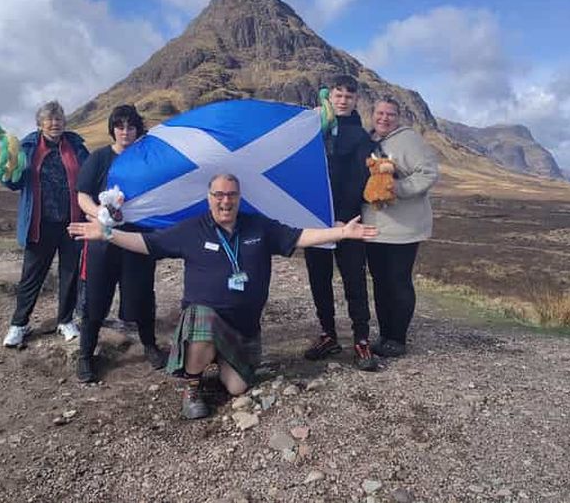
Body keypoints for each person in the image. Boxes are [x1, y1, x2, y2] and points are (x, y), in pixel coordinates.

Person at [68, 174, 378, 419]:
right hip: (205, 319)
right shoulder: (191, 229)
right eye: (218, 195)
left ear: (239, 198)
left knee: (237, 388)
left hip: (243, 329)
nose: (225, 201)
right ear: (209, 198)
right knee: (201, 317)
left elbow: (300, 236)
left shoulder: (259, 226)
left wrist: (341, 233)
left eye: (231, 195)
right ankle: (192, 387)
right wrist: (107, 233)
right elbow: (148, 243)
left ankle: (216, 356)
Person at [75, 105, 167, 381]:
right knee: (95, 297)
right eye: (120, 126)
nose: (125, 132)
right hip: (102, 240)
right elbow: (82, 195)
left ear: (138, 129)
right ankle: (85, 355)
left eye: (131, 126)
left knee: (142, 294)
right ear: (112, 129)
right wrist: (100, 215)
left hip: (137, 239)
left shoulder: (147, 160)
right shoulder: (100, 158)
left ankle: (150, 346)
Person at [303, 75, 377, 371]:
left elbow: (360, 180)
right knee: (319, 279)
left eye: (349, 96)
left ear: (356, 100)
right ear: (329, 97)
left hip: (349, 221)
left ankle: (361, 340)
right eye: (338, 95)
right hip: (316, 220)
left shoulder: (360, 137)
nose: (343, 100)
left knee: (354, 280)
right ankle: (328, 335)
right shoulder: (312, 130)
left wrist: (342, 217)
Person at [2, 101, 89, 347]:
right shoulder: (27, 147)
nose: (54, 123)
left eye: (58, 119)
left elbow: (91, 175)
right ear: (40, 124)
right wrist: (8, 171)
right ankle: (19, 324)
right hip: (40, 224)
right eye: (49, 120)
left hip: (72, 222)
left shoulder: (76, 146)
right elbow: (14, 183)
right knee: (31, 276)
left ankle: (66, 320)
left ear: (64, 122)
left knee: (69, 274)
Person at [362, 99, 438, 357]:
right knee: (380, 282)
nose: (384, 118)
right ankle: (385, 335)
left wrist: (396, 188)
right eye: (380, 113)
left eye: (390, 114)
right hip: (374, 227)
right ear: (372, 114)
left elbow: (428, 173)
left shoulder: (410, 140)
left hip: (404, 229)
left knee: (398, 281)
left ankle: (398, 338)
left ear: (398, 117)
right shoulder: (367, 141)